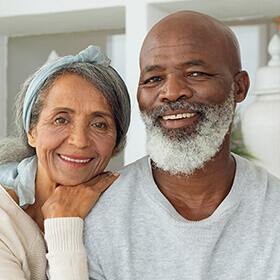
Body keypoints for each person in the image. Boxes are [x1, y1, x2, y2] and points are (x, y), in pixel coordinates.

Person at [83, 11, 280, 279]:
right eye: (153, 79)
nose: (172, 92)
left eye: (196, 73)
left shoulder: (274, 210)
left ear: (239, 87)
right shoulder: (98, 215)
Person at [0, 45, 130, 279]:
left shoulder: (121, 215)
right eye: (61, 120)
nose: (80, 141)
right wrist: (64, 225)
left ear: (116, 143)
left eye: (99, 124)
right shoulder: (4, 218)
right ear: (31, 131)